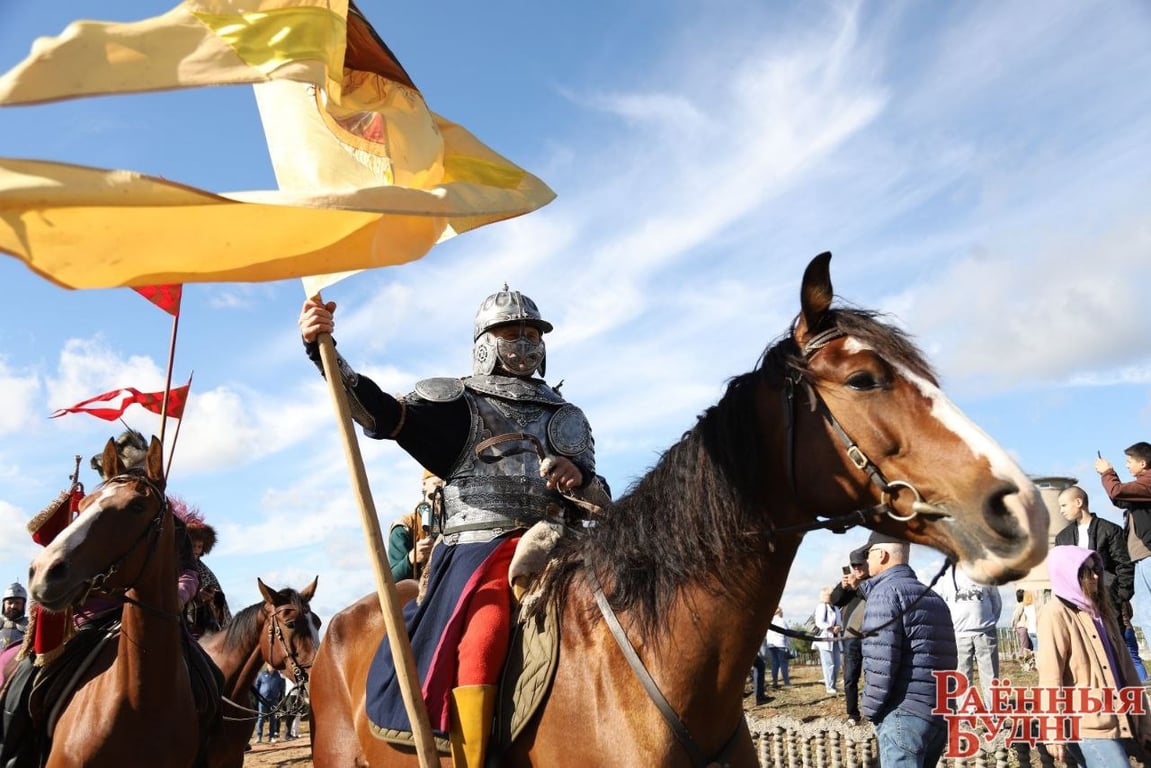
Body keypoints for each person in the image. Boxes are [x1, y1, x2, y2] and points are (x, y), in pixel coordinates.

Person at [298, 288, 600, 768]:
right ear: (485, 342)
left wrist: (578, 476)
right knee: (484, 635)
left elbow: (597, 497)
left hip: (561, 541)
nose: (524, 343)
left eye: (532, 335)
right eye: (511, 334)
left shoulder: (565, 417)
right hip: (480, 547)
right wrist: (326, 353)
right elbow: (382, 414)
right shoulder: (459, 403)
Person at [1039, 545, 1151, 767]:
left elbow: (1129, 673)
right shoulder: (1055, 613)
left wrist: (1145, 722)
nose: (1096, 576)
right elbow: (1050, 677)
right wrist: (1053, 729)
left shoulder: (1102, 613)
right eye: (1087, 571)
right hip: (1087, 725)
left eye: (1096, 569)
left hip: (1120, 717)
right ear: (1069, 574)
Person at [858, 532, 957, 768]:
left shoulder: (884, 594)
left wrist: (869, 710)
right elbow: (948, 657)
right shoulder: (931, 596)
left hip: (904, 713)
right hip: (937, 712)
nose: (865, 561)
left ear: (881, 555)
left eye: (867, 554)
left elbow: (880, 663)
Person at [1096, 442, 1151, 644]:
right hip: (1142, 559)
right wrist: (1110, 476)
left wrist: (1108, 472)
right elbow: (1119, 498)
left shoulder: (1148, 482)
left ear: (1143, 463)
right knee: (1147, 616)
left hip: (1148, 557)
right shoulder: (1142, 487)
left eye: (1129, 461)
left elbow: (1117, 492)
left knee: (1149, 616)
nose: (1127, 465)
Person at [937, 568, 1001, 699]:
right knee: (962, 677)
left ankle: (994, 714)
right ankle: (966, 715)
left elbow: (996, 603)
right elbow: (940, 604)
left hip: (985, 632)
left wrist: (988, 622)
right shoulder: (947, 577)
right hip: (959, 635)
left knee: (991, 676)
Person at [830, 544, 869, 725]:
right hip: (851, 637)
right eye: (854, 566)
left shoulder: (874, 581)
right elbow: (835, 601)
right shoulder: (850, 581)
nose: (857, 569)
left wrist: (857, 587)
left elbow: (876, 598)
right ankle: (853, 714)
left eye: (860, 565)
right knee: (850, 678)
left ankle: (871, 712)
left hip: (872, 638)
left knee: (872, 678)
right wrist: (843, 587)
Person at [180, 503, 232, 639]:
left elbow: (221, 607)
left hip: (203, 627)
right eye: (193, 545)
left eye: (200, 546)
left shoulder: (205, 571)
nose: (196, 549)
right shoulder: (174, 565)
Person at [387, 471, 442, 583]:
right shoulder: (404, 528)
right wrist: (411, 558)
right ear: (424, 484)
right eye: (437, 484)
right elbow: (391, 580)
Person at [812, 586, 842, 695]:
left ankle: (833, 685)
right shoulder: (821, 607)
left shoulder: (836, 607)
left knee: (837, 663)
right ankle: (829, 687)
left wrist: (839, 627)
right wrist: (831, 627)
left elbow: (840, 622)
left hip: (836, 638)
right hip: (825, 639)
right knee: (829, 664)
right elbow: (819, 623)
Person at [254, 663, 286, 744]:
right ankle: (259, 736)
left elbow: (282, 687)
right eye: (270, 665)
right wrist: (258, 697)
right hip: (262, 700)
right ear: (267, 666)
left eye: (273, 666)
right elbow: (257, 686)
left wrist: (283, 681)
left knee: (273, 719)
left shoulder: (278, 676)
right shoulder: (261, 674)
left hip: (274, 700)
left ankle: (272, 737)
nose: (271, 667)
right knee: (261, 718)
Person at [764, 607, 791, 689]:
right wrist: (787, 644)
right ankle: (786, 683)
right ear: (779, 612)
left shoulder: (770, 621)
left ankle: (775, 682)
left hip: (771, 645)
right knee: (783, 663)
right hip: (780, 644)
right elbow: (787, 634)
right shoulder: (782, 621)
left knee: (775, 663)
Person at [0, 582, 28, 650]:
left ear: (23, 605)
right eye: (10, 603)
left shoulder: (31, 625)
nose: (13, 606)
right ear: (4, 604)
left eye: (17, 603)